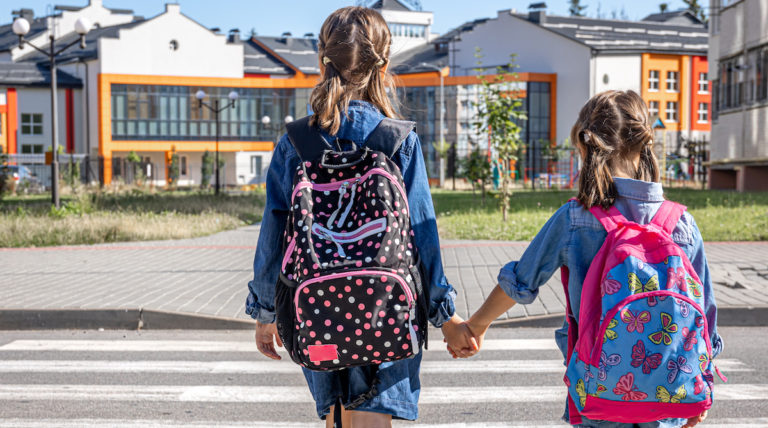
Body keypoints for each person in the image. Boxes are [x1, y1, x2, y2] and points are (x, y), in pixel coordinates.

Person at [245, 7, 475, 428]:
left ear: (321, 62)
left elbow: (273, 234)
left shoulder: (295, 141)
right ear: (384, 66)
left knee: (339, 416)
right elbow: (423, 231)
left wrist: (264, 312)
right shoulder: (397, 139)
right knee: (373, 419)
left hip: (315, 302)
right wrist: (446, 315)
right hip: (388, 303)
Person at [457, 90, 723, 428]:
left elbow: (521, 282)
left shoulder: (576, 218)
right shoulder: (682, 223)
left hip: (601, 388)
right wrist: (704, 381)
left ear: (586, 146)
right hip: (670, 389)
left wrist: (475, 325)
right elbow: (707, 312)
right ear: (644, 144)